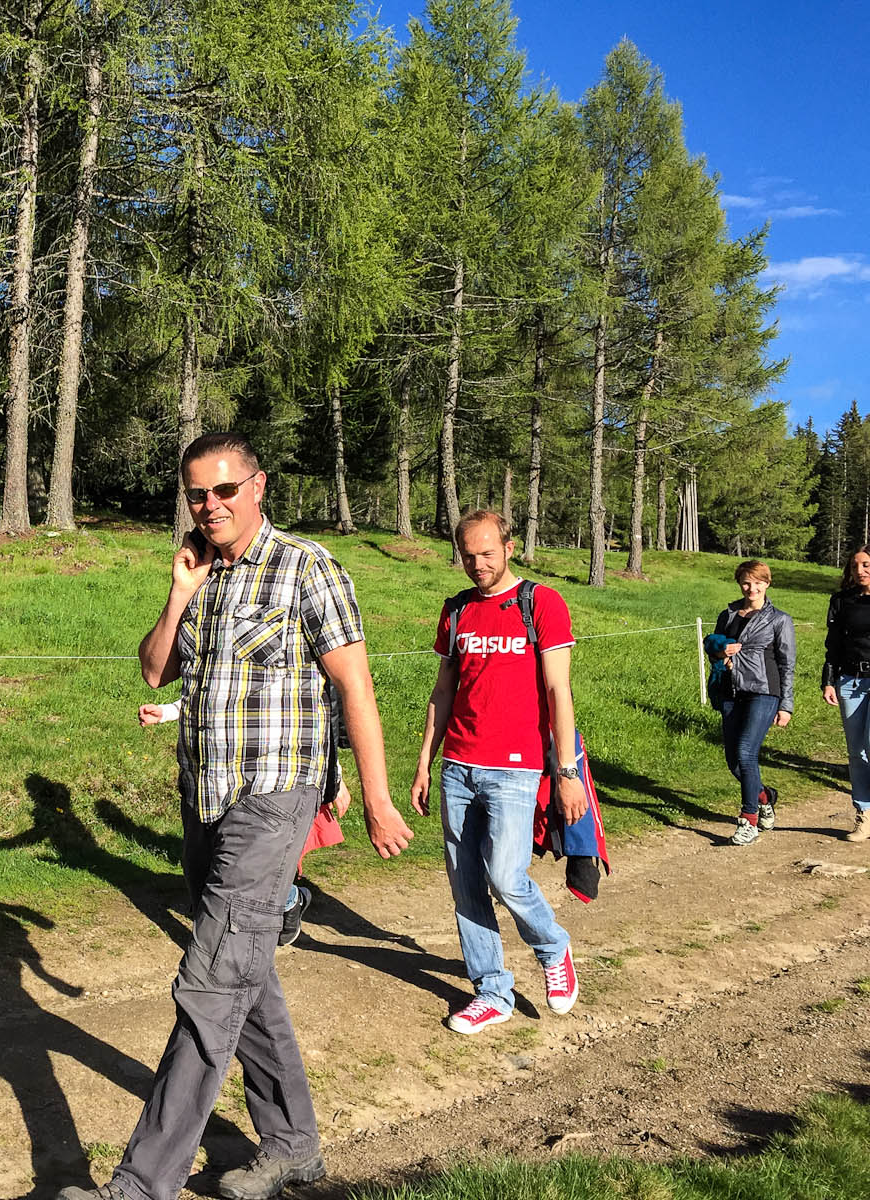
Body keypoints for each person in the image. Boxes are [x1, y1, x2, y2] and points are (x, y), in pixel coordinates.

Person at [59, 432, 414, 1200]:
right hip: (204, 798)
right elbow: (154, 670)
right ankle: (292, 1146)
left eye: (224, 489)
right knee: (244, 971)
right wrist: (179, 592)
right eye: (197, 493)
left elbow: (355, 686)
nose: (210, 505)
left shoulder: (307, 567)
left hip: (273, 798)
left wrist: (377, 797)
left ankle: (140, 1185)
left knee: (211, 982)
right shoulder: (202, 574)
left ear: (258, 486)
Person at [409, 511, 584, 1036]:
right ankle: (491, 991)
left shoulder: (540, 602)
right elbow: (443, 690)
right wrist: (424, 761)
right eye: (468, 555)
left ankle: (552, 947)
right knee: (466, 887)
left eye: (487, 553)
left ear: (509, 547)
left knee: (506, 876)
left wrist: (567, 770)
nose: (478, 564)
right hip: (458, 766)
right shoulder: (457, 610)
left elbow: (558, 690)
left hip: (516, 768)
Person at [138, 700, 350, 947]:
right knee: (203, 863)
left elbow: (315, 727)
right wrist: (166, 712)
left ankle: (287, 902)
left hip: (267, 785)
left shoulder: (288, 687)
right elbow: (203, 695)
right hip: (216, 781)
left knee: (255, 867)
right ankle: (220, 931)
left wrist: (334, 777)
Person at [704, 560, 795, 845]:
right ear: (739, 584)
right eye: (746, 582)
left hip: (764, 691)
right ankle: (765, 797)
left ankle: (748, 820)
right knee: (734, 761)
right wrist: (721, 652)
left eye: (757, 582)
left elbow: (787, 664)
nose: (751, 588)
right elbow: (713, 649)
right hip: (730, 691)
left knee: (746, 751)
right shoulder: (728, 614)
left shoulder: (779, 619)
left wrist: (786, 705)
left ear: (767, 583)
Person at [822, 545, 870, 842]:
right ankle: (864, 813)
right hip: (851, 681)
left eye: (866, 565)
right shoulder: (841, 601)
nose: (860, 571)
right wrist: (828, 681)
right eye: (855, 566)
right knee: (856, 751)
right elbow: (833, 645)